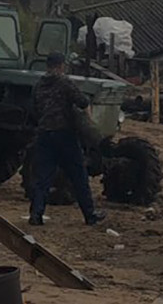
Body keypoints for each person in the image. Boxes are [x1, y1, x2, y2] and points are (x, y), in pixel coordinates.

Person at [28, 52, 105, 226]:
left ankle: (36, 214)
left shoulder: (38, 85)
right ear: (61, 65)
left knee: (43, 178)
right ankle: (90, 214)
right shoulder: (65, 82)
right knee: (79, 175)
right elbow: (82, 101)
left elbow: (33, 110)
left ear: (47, 65)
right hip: (65, 134)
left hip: (44, 135)